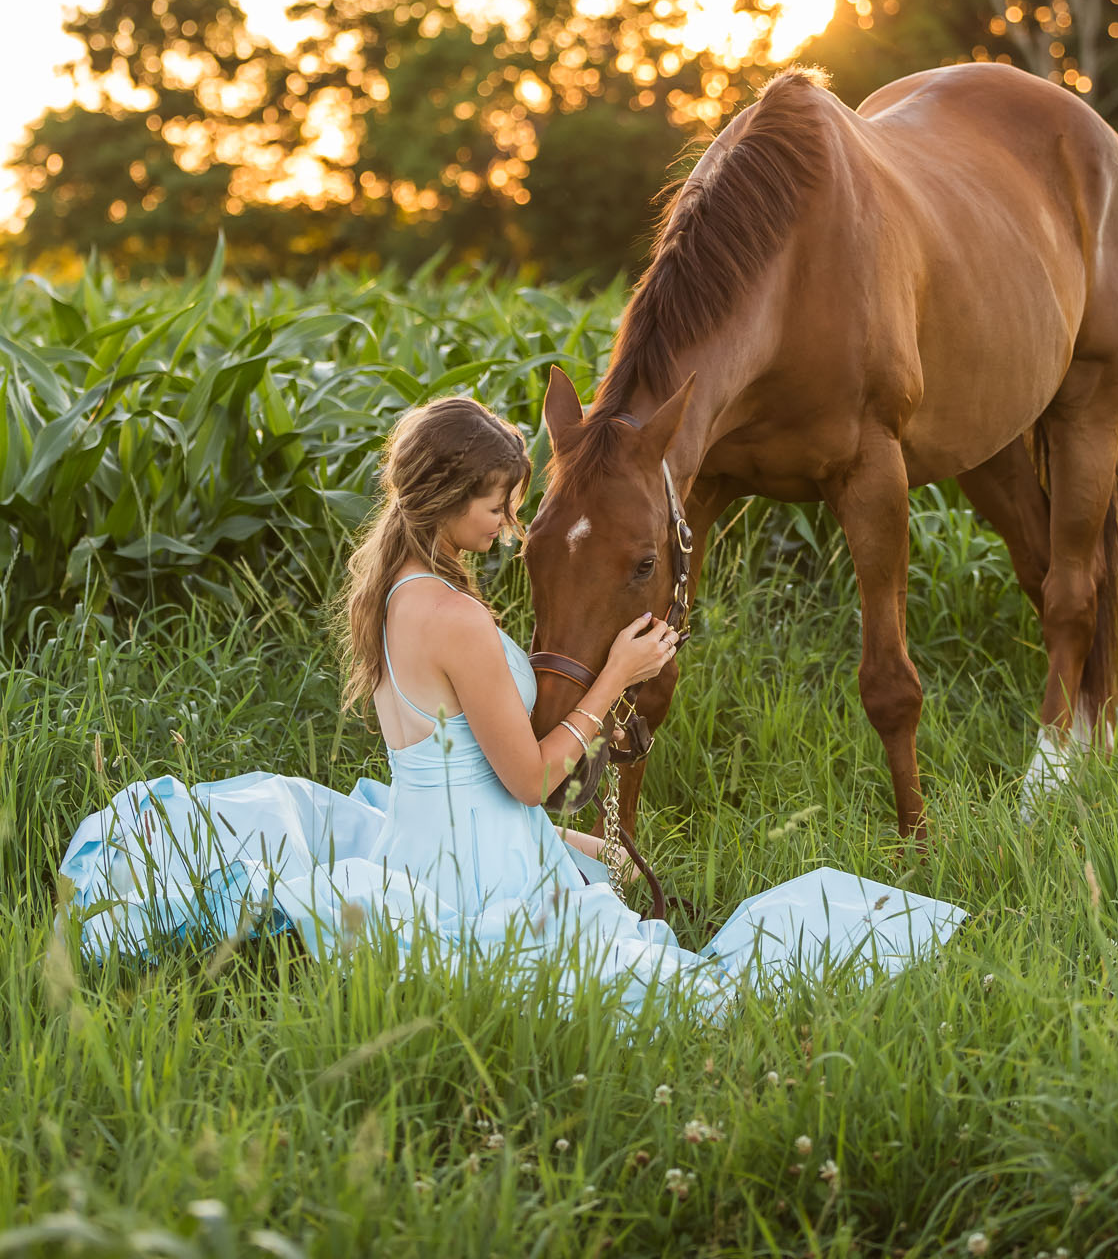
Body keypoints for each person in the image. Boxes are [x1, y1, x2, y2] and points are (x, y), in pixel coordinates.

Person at [60, 395, 963, 1015]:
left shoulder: (391, 593)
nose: (508, 525)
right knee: (697, 991)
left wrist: (572, 841)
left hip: (431, 844)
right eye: (497, 504)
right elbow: (527, 779)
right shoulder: (450, 617)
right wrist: (616, 675)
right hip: (478, 877)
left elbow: (448, 775)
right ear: (450, 495)